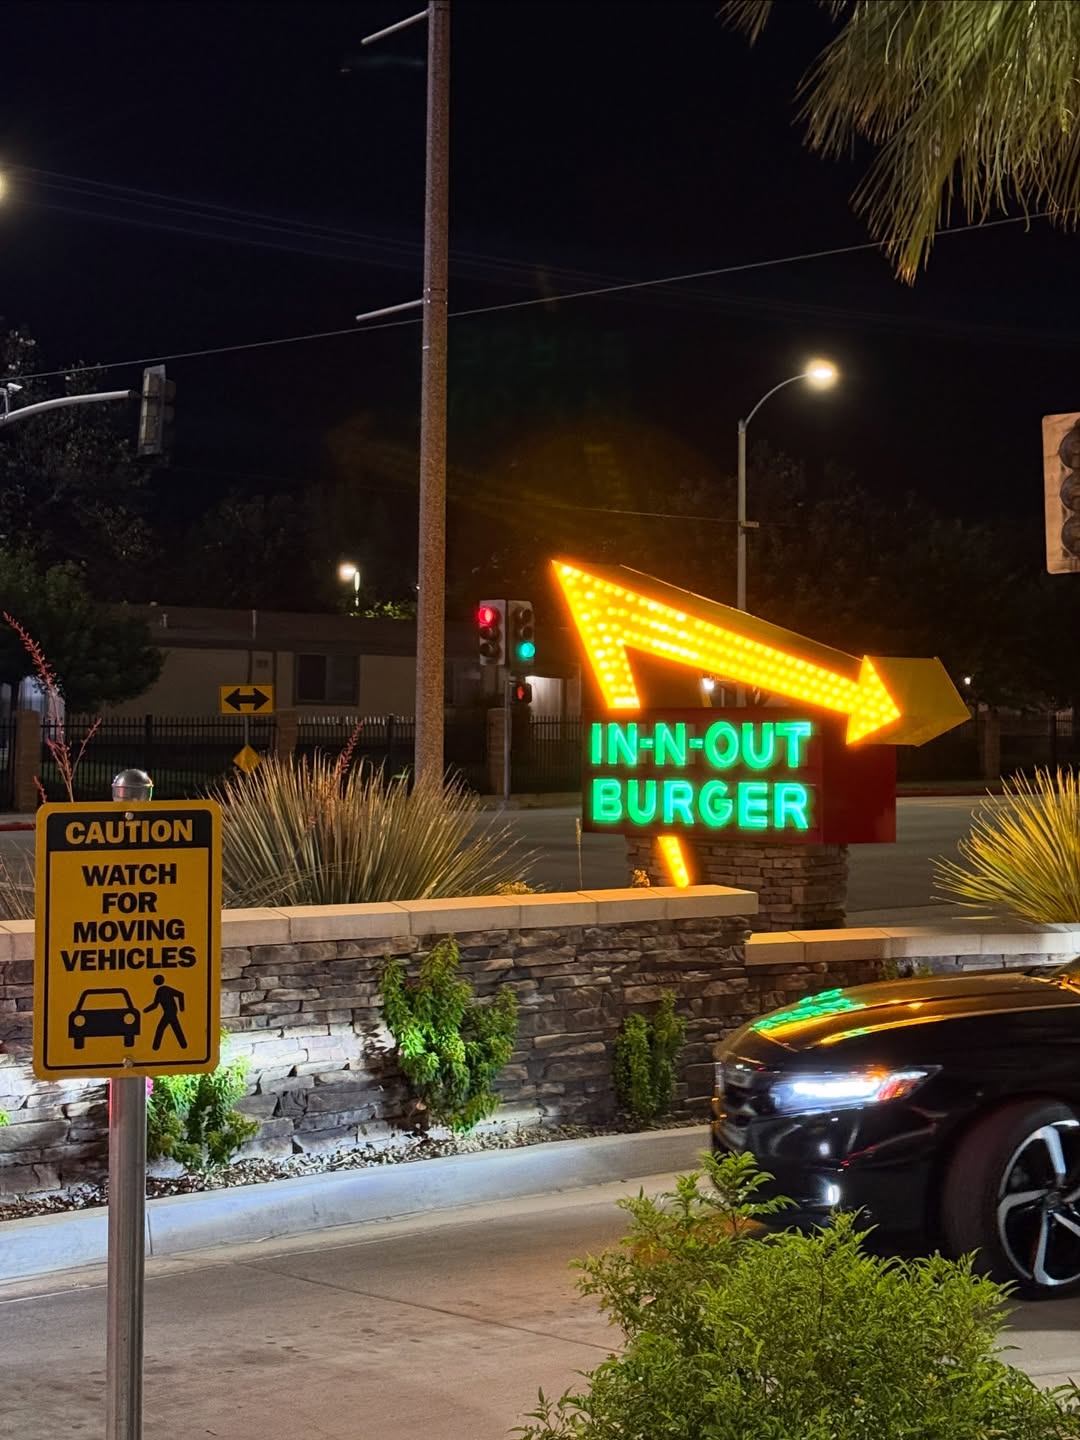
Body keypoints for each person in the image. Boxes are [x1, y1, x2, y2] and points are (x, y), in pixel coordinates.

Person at [144, 974, 187, 1050]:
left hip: (170, 1012)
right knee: (176, 1028)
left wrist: (182, 1008)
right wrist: (146, 1010)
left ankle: (155, 1047)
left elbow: (180, 994)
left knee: (161, 1028)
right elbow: (155, 1004)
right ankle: (183, 1045)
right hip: (169, 1012)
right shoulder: (160, 991)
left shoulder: (165, 989)